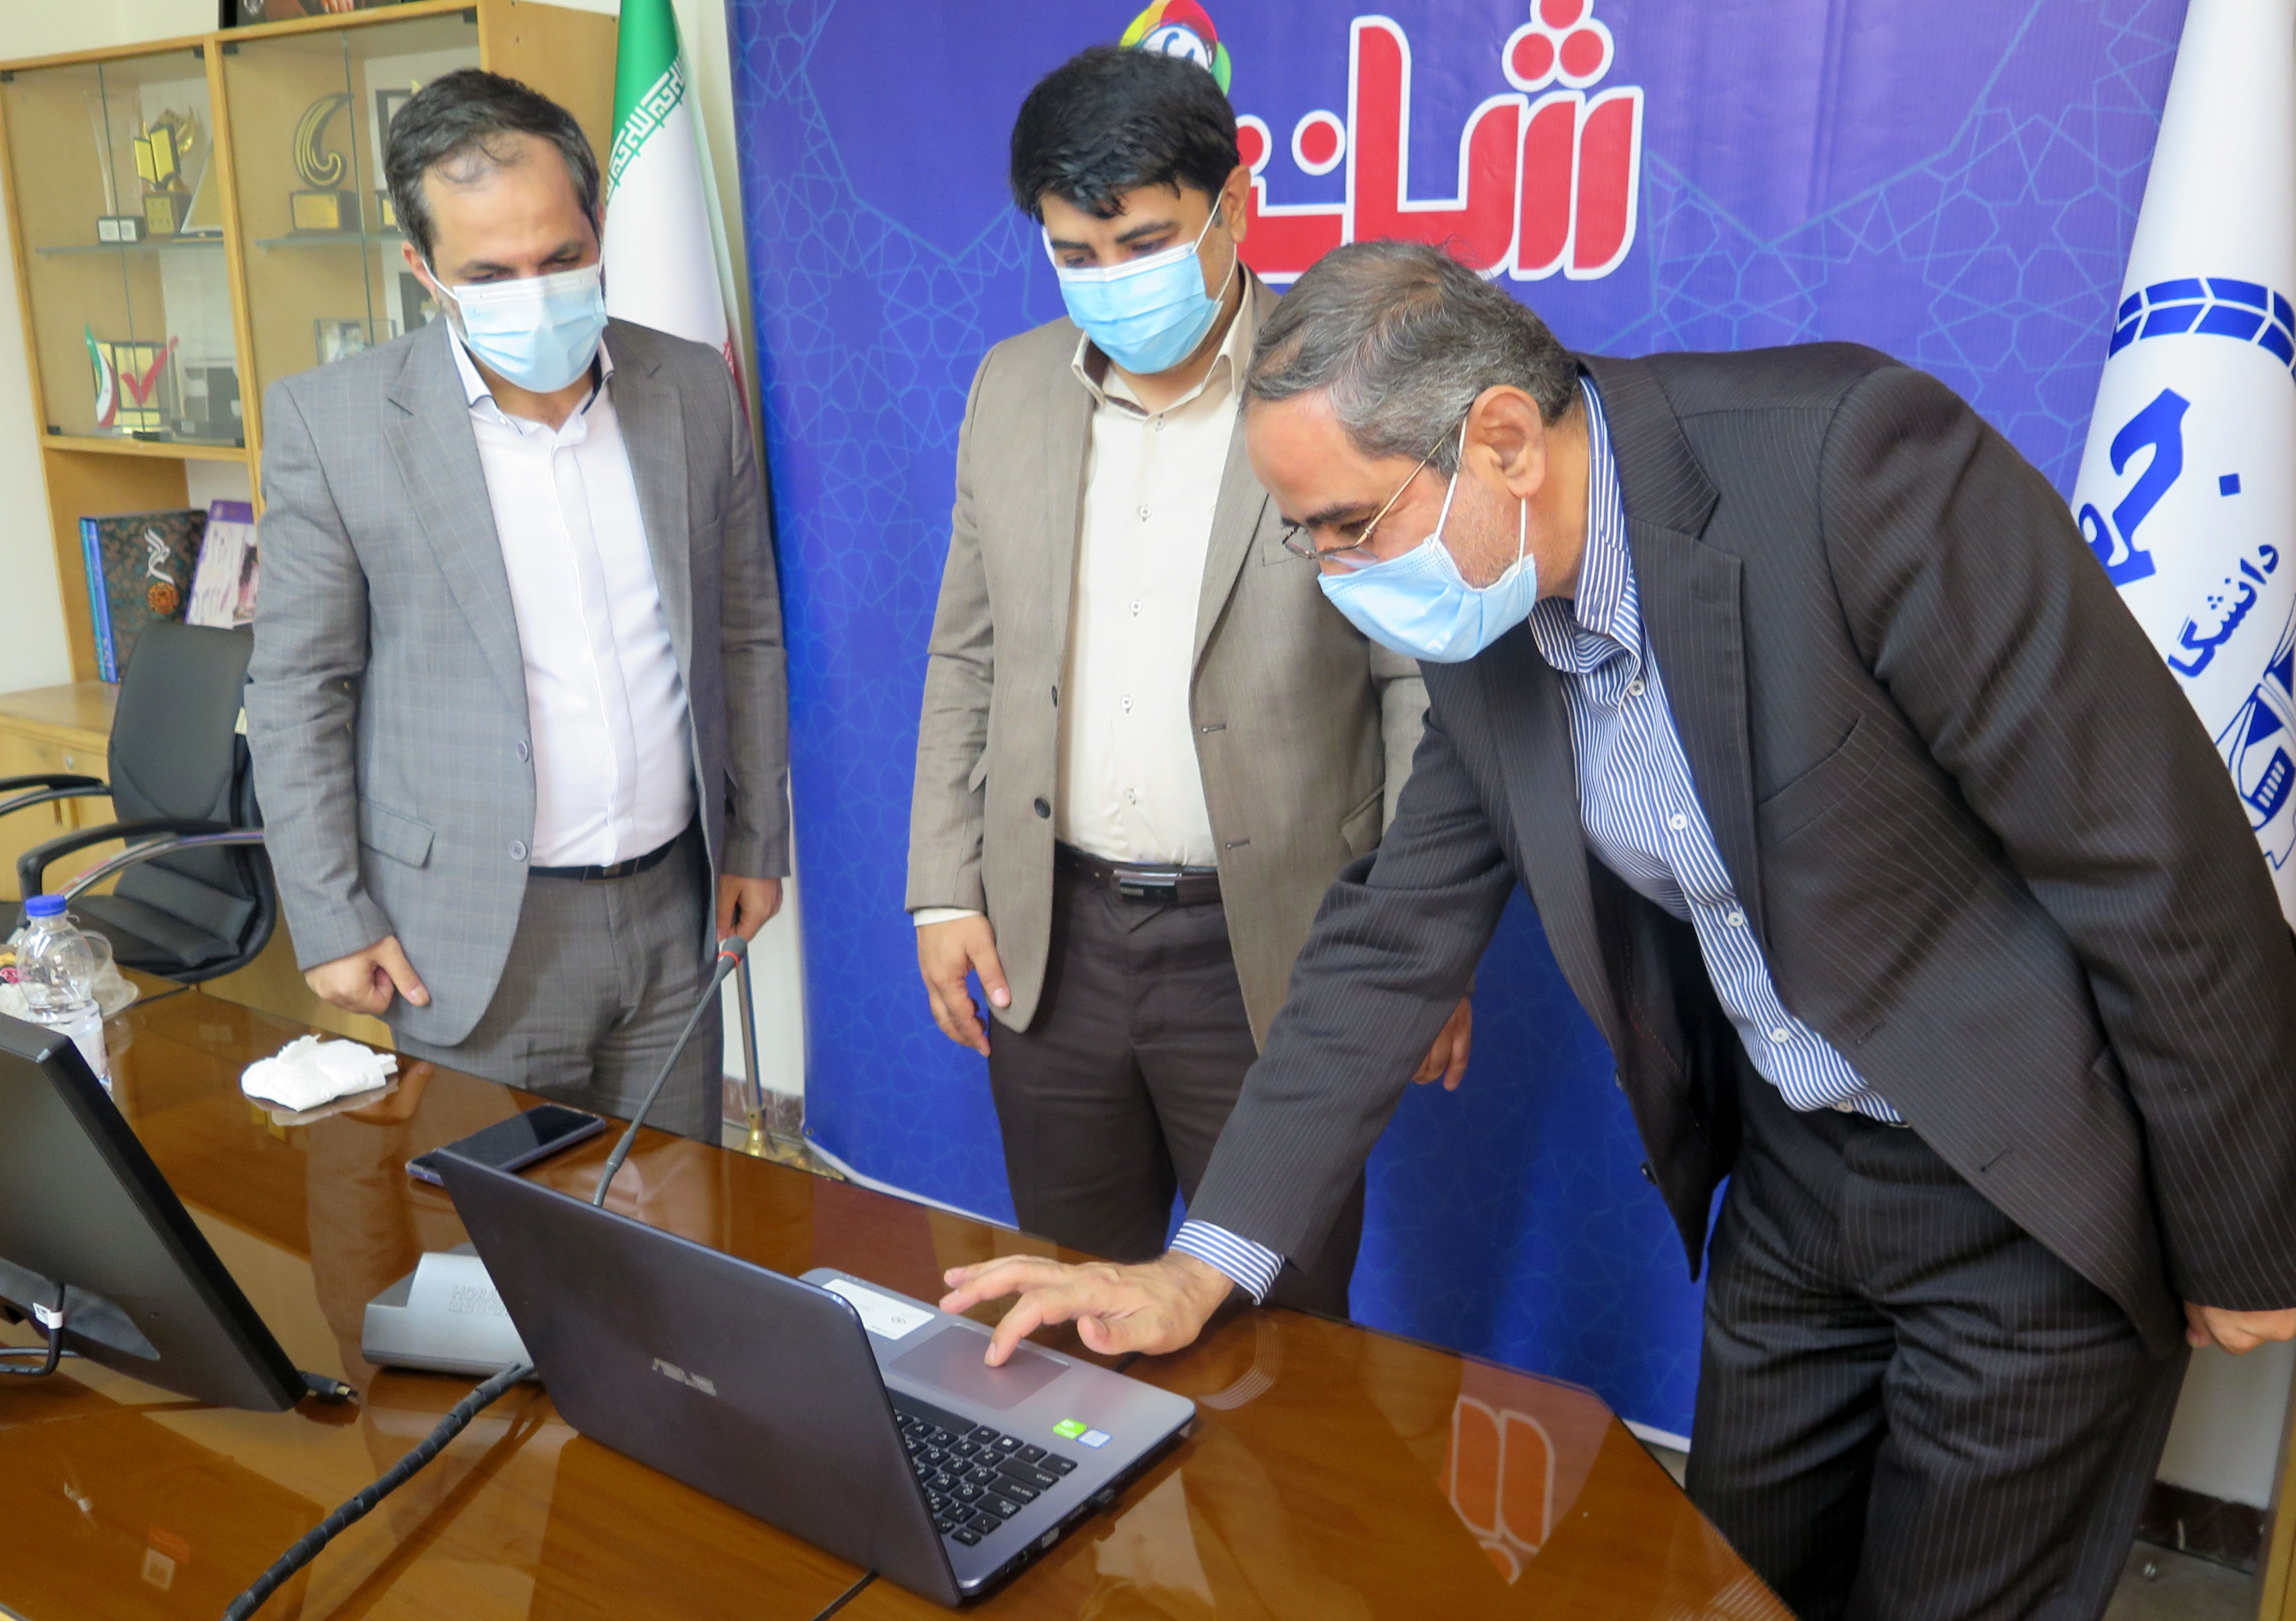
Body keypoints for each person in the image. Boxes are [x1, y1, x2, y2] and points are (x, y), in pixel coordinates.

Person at [940, 241, 2296, 1620]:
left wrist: (2244, 1229)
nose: (1328, 571)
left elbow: (2148, 854)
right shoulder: (1486, 621)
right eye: (1303, 535)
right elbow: (1389, 937)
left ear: (1503, 440)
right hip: (1795, 1178)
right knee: (1732, 1583)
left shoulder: (1849, 465)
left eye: (1346, 525)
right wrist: (1200, 1265)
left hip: (2022, 1176)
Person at [905, 48, 1468, 1315]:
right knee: (1062, 1311)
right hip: (1053, 942)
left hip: (1274, 947)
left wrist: (1414, 948)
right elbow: (967, 647)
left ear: (1235, 207)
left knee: (1281, 1327)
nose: (1111, 279)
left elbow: (1418, 684)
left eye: (1145, 243)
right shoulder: (1009, 386)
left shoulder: (1348, 387)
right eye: (1076, 253)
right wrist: (943, 885)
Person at [246, 71, 789, 1140]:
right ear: (423, 269)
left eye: (561, 258)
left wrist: (756, 840)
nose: (535, 294)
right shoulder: (334, 424)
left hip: (675, 911)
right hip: (467, 936)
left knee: (677, 1216)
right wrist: (330, 913)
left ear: (600, 229)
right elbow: (300, 688)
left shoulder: (690, 386)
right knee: (483, 1231)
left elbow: (746, 631)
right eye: (489, 275)